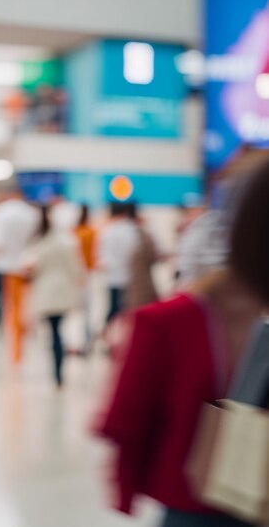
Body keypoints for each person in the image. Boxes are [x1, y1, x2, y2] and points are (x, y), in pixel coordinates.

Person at [96, 158, 269, 527]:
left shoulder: (165, 324)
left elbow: (122, 423)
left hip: (192, 502)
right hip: (201, 506)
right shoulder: (165, 323)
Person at [25, 206, 83, 387]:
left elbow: (31, 269)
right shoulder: (69, 242)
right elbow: (76, 269)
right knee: (59, 330)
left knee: (53, 332)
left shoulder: (40, 244)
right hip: (64, 291)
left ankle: (56, 370)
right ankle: (59, 370)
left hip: (46, 292)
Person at [0, 188, 39, 363]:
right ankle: (20, 342)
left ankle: (9, 340)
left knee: (6, 305)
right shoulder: (32, 213)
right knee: (23, 306)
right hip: (25, 267)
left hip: (3, 267)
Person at [98, 202, 139, 328]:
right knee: (130, 312)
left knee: (114, 311)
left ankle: (109, 340)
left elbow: (104, 260)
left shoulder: (109, 232)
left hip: (115, 279)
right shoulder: (134, 230)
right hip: (132, 279)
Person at [124, 202, 160, 312]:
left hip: (127, 280)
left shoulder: (118, 229)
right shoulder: (141, 232)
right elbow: (153, 255)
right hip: (141, 282)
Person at [74, 204, 97, 354]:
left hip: (78, 273)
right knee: (87, 309)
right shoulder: (92, 232)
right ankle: (86, 340)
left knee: (78, 310)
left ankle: (80, 341)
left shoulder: (75, 232)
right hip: (88, 273)